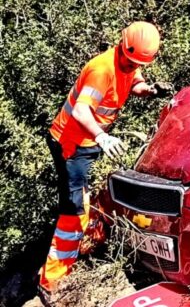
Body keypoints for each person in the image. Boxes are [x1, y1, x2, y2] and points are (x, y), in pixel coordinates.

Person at [38, 21, 173, 299]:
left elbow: (133, 81)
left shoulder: (130, 60)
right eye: (131, 60)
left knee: (96, 199)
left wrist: (147, 90)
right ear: (122, 47)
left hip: (89, 143)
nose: (133, 65)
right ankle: (51, 281)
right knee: (74, 213)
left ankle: (86, 247)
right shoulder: (102, 70)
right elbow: (81, 111)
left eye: (138, 63)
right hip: (71, 144)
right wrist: (102, 137)